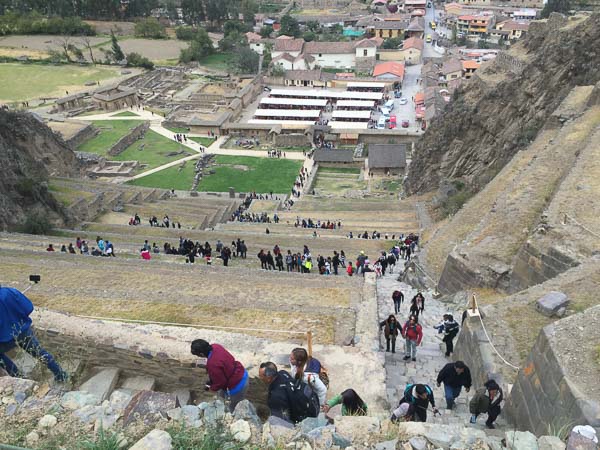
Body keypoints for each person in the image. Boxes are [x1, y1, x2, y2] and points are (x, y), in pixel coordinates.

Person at [0, 286, 68, 382]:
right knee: (40, 353)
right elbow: (28, 307)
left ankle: (19, 378)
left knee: (1, 358)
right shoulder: (10, 291)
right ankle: (60, 375)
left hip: (4, 339)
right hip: (23, 330)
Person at [190, 339, 248, 412]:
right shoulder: (216, 346)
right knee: (222, 395)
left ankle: (232, 418)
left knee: (232, 407)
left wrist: (212, 389)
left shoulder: (212, 364)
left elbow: (220, 382)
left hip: (237, 386)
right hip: (241, 373)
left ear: (201, 354)